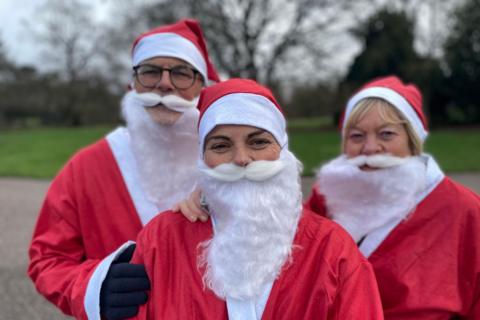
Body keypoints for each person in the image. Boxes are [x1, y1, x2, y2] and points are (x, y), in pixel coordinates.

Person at [129, 78, 384, 319]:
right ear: (202, 158)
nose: (241, 158)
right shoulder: (161, 240)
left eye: (258, 142)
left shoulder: (332, 248)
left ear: (282, 150)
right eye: (220, 146)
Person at [27, 19, 220, 320]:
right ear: (132, 84)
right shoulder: (87, 167)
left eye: (181, 72)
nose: (165, 83)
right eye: (150, 71)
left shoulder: (233, 156)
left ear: (202, 85)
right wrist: (95, 286)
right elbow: (48, 259)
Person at [305, 75, 480, 319]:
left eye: (386, 134)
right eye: (357, 136)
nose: (370, 148)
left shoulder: (464, 209)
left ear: (412, 140)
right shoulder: (326, 198)